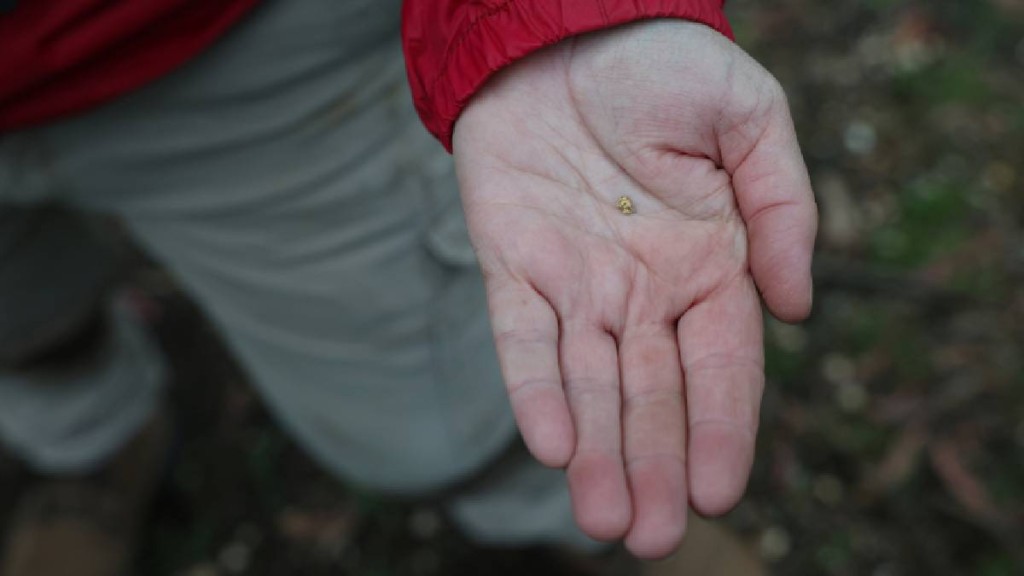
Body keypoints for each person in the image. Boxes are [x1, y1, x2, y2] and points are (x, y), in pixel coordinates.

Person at [0, 0, 817, 574]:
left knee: (439, 400)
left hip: (222, 41)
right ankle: (90, 444)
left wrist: (567, 16)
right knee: (23, 318)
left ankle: (566, 516)